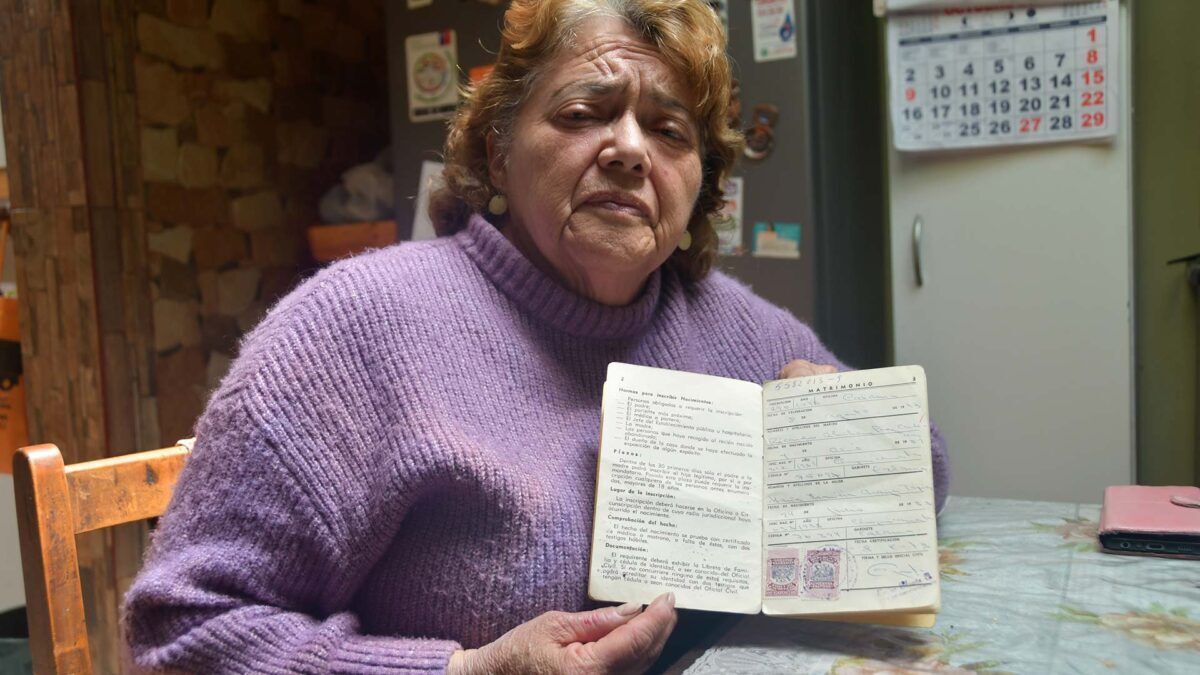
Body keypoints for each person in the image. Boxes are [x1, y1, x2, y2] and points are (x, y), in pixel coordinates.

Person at [123, 1, 950, 672]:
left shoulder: (725, 320)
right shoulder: (355, 330)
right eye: (584, 113)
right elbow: (181, 633)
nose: (630, 150)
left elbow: (928, 475)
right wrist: (463, 672)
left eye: (670, 132)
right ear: (498, 153)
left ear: (700, 187)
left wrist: (857, 438)